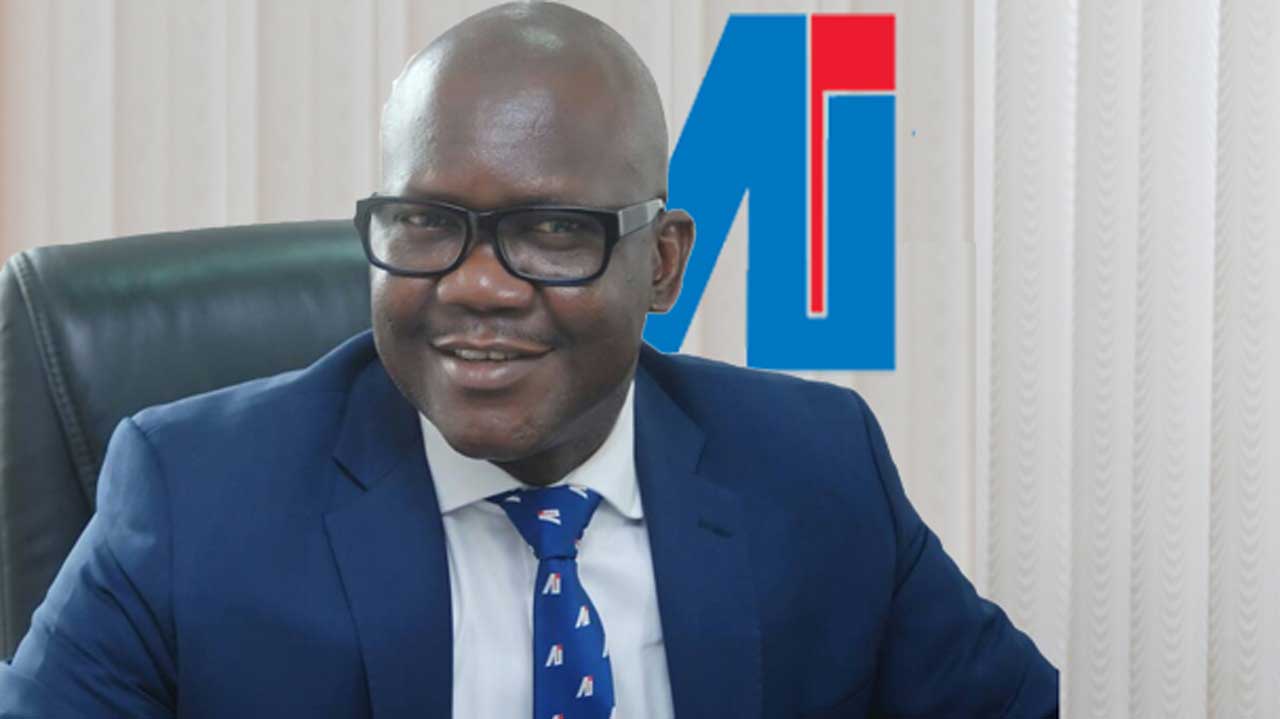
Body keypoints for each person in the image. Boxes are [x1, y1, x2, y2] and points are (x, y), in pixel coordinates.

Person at [0, 2, 1058, 717]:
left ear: (662, 263)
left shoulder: (814, 467)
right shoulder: (193, 498)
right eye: (427, 222)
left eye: (553, 231)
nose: (478, 285)